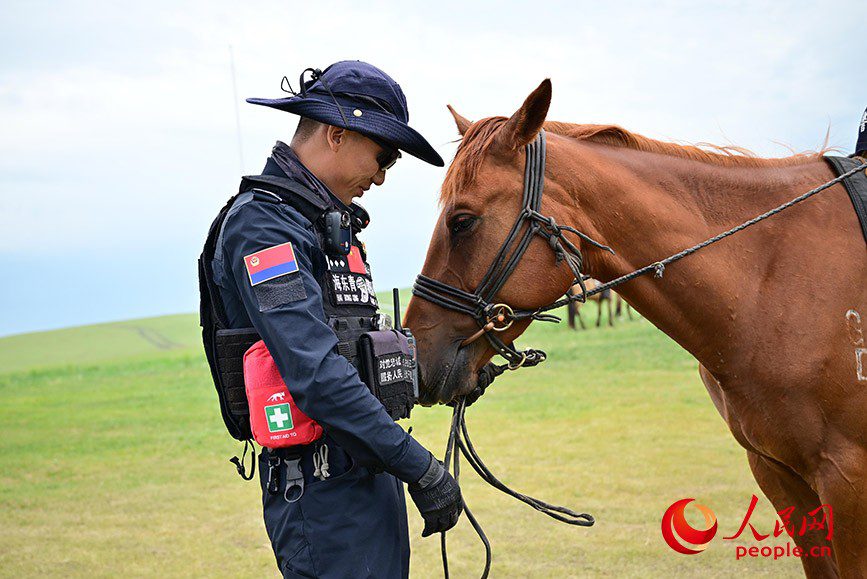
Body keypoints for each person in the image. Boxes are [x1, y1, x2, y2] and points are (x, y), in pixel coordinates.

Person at [199, 61, 462, 578]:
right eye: (383, 156)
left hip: (365, 478)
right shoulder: (263, 227)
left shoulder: (325, 227)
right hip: (321, 498)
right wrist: (421, 469)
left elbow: (356, 354)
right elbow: (317, 375)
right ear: (337, 134)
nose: (382, 177)